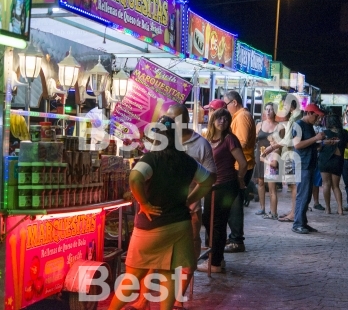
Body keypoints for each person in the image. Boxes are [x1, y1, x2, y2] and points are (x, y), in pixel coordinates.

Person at [108, 116, 216, 310]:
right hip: (179, 226)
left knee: (132, 277)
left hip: (151, 226)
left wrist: (144, 203)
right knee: (169, 274)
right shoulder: (187, 161)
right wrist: (190, 200)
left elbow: (134, 178)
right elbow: (208, 180)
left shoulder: (152, 158)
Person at [198, 108, 247, 273]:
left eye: (226, 119)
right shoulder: (208, 139)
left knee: (217, 223)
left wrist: (239, 179)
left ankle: (215, 262)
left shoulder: (229, 139)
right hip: (210, 186)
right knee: (209, 221)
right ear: (213, 120)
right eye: (219, 118)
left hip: (225, 186)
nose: (222, 121)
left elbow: (243, 163)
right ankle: (216, 258)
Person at [223, 90, 256, 253]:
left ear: (234, 102)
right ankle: (234, 238)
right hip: (238, 165)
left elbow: (241, 143)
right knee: (233, 203)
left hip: (241, 166)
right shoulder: (240, 116)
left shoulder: (242, 117)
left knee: (235, 204)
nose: (225, 107)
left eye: (226, 104)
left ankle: (237, 240)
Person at [291, 104, 326, 234]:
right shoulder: (298, 125)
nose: (317, 119)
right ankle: (298, 224)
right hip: (302, 164)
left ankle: (303, 222)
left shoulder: (309, 126)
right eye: (316, 116)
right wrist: (316, 138)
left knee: (307, 195)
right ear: (309, 113)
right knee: (303, 195)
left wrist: (321, 143)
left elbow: (309, 144)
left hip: (309, 163)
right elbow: (297, 144)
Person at [319, 114, 348, 215]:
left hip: (324, 160)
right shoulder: (344, 133)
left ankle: (328, 209)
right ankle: (340, 209)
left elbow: (318, 147)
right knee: (336, 186)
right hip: (338, 160)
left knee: (326, 184)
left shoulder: (324, 133)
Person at [254, 102, 280, 218]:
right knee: (260, 181)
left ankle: (273, 211)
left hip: (272, 156)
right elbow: (254, 139)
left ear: (275, 112)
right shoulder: (259, 124)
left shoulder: (279, 126)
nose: (268, 111)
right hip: (260, 155)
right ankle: (262, 208)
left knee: (272, 186)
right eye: (267, 109)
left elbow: (281, 143)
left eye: (271, 109)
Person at [259, 134, 282, 219]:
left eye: (272, 142)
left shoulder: (276, 151)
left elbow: (274, 164)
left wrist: (264, 160)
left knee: (272, 192)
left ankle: (274, 213)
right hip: (270, 172)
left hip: (272, 172)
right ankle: (272, 211)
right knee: (271, 192)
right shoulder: (274, 150)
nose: (270, 143)